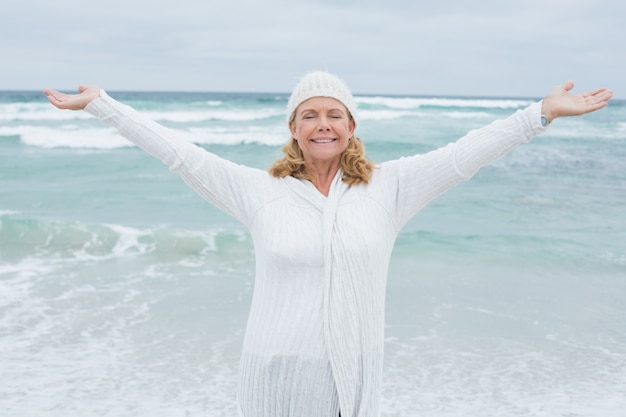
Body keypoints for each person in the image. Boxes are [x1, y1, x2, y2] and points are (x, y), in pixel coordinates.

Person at [44, 71, 612, 417]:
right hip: (276, 374)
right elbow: (181, 154)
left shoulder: (389, 187)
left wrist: (539, 115)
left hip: (353, 373)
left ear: (351, 127)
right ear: (293, 127)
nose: (323, 123)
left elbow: (465, 154)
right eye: (309, 114)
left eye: (334, 115)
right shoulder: (258, 191)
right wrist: (102, 104)